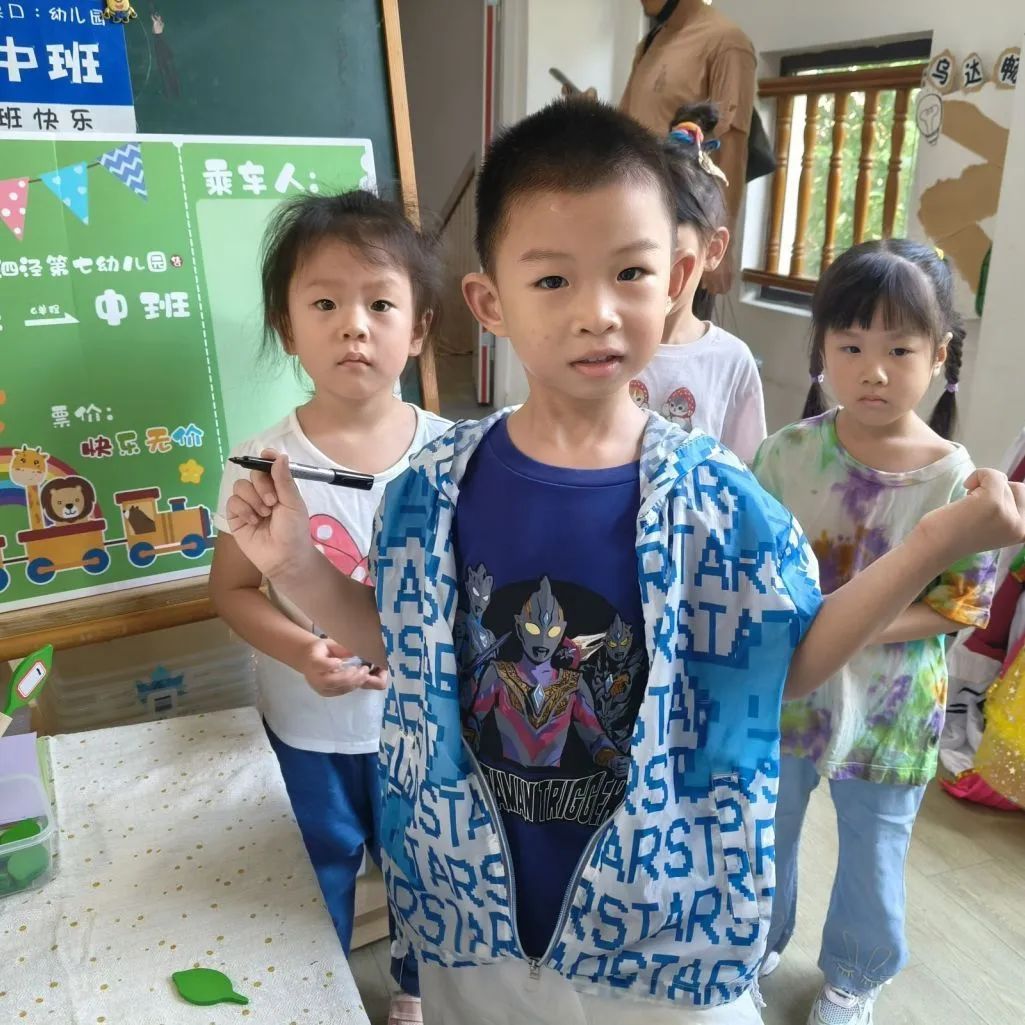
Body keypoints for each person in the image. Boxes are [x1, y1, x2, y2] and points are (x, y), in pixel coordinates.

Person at [223, 101, 1025, 1025]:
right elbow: (406, 646)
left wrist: (930, 544)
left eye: (630, 272)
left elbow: (791, 660)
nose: (596, 311)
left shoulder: (715, 497)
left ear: (677, 278)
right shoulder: (432, 489)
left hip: (660, 925)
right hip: (471, 910)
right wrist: (299, 567)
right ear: (490, 303)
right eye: (552, 279)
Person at [209, 190, 450, 1025]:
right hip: (308, 730)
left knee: (427, 869)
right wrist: (301, 651)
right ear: (288, 328)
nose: (354, 325)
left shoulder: (453, 455)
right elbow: (232, 591)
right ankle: (320, 995)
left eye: (380, 304)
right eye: (325, 304)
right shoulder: (261, 462)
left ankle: (413, 990)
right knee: (319, 870)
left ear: (417, 328)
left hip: (424, 730)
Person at [752, 239, 998, 1025]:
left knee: (874, 849)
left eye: (899, 349)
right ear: (821, 345)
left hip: (893, 707)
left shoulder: (956, 479)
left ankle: (854, 976)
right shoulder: (787, 453)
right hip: (787, 697)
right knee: (764, 829)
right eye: (851, 346)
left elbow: (961, 602)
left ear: (939, 354)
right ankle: (755, 942)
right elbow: (750, 568)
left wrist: (850, 623)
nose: (873, 371)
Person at [628, 102, 765, 461]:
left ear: (713, 249)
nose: (651, 276)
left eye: (669, 258)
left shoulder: (731, 360)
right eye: (632, 263)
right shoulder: (607, 344)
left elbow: (744, 471)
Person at [620, 0, 757, 299]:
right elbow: (628, 131)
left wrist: (721, 245)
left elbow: (733, 150)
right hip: (637, 224)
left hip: (687, 230)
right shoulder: (650, 44)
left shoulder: (727, 43)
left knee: (681, 326)